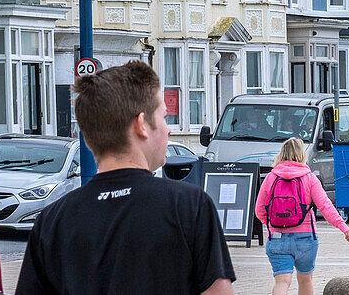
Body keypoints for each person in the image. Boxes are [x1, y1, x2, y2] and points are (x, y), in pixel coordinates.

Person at [16, 61, 235, 295]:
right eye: (164, 117)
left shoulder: (53, 220)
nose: (168, 129)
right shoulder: (189, 205)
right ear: (141, 124)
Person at [255, 138, 349, 295]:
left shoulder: (271, 178)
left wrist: (271, 226)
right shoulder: (309, 178)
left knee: (282, 282)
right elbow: (325, 206)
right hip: (305, 238)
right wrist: (344, 227)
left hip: (278, 237)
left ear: (282, 154)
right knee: (305, 280)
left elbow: (259, 209)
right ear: (302, 154)